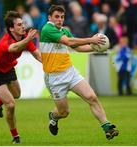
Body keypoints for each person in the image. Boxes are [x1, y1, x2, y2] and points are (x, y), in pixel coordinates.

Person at [39, 5, 119, 140]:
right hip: (55, 78)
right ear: (49, 18)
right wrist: (91, 40)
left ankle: (106, 126)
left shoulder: (63, 30)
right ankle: (53, 116)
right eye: (56, 17)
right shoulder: (47, 29)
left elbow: (78, 48)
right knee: (64, 112)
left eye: (62, 17)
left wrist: (96, 47)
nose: (60, 20)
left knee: (92, 97)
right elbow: (68, 41)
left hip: (70, 72)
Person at [0, 11, 41, 144]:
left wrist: (49, 65)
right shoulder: (6, 41)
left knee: (17, 94)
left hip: (8, 69)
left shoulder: (24, 37)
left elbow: (37, 54)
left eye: (23, 24)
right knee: (10, 104)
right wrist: (28, 39)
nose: (23, 27)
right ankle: (15, 136)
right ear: (11, 28)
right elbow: (14, 48)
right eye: (19, 25)